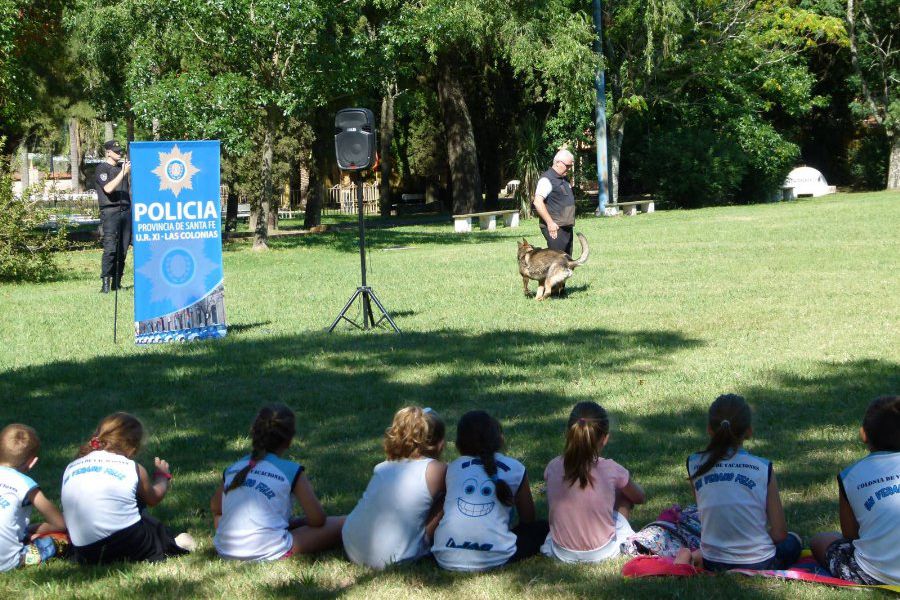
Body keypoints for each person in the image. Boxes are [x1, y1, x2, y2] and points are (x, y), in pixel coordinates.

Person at [211, 404, 345, 561]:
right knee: (345, 522)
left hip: (224, 550)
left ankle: (233, 542)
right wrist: (298, 522)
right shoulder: (291, 470)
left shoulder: (234, 468)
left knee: (222, 517)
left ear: (254, 433)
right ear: (289, 441)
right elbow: (318, 520)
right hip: (269, 550)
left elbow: (216, 508)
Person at [60, 412, 195, 564]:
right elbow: (154, 498)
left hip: (85, 553)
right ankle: (172, 543)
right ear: (132, 447)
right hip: (128, 544)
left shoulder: (71, 466)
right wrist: (162, 476)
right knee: (153, 527)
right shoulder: (132, 467)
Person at [686, 394, 801, 571]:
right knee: (794, 540)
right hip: (759, 562)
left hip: (712, 560)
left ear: (709, 429)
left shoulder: (694, 463)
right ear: (749, 431)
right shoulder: (762, 467)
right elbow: (779, 533)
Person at [432, 410, 548, 571]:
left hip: (445, 554)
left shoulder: (453, 467)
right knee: (543, 528)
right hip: (497, 556)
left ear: (459, 444)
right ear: (498, 439)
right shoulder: (515, 468)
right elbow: (528, 519)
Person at [810, 396, 900, 585]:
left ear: (863, 434)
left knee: (820, 540)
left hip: (874, 574)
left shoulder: (850, 475)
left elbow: (850, 535)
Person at [342, 407, 447, 569]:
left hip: (351, 545)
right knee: (451, 496)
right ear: (440, 444)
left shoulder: (383, 467)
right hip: (397, 557)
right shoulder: (437, 470)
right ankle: (428, 541)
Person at [541, 402, 646, 563]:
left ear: (569, 434)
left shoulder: (553, 466)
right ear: (605, 439)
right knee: (625, 497)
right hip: (603, 551)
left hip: (562, 552)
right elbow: (639, 497)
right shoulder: (611, 469)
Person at [0, 424, 67, 572]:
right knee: (62, 540)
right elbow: (60, 524)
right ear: (32, 462)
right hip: (7, 562)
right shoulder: (25, 484)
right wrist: (34, 529)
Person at [96, 139, 132, 294]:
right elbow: (108, 188)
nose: (119, 153)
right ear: (108, 152)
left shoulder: (122, 168)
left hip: (126, 211)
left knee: (122, 249)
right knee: (110, 248)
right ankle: (105, 284)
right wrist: (123, 173)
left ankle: (116, 284)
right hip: (110, 213)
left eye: (120, 151)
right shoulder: (102, 169)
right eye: (116, 151)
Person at [533, 149, 576, 253]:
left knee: (567, 263)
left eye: (570, 166)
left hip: (566, 227)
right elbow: (537, 202)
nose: (569, 169)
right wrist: (550, 223)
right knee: (557, 264)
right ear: (558, 163)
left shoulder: (563, 178)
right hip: (555, 229)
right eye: (567, 166)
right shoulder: (547, 179)